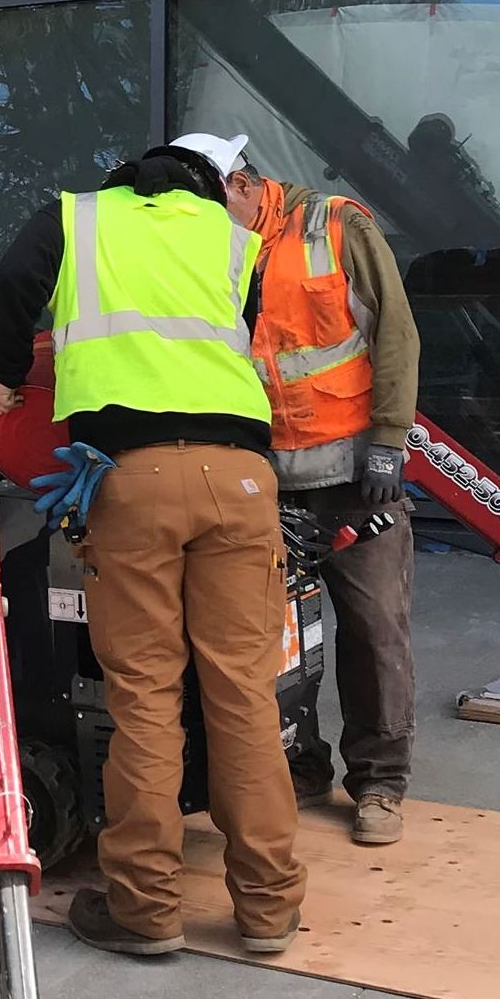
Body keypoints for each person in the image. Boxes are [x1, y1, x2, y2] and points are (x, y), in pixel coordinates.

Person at [0, 143, 306, 959]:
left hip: (132, 479)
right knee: (244, 692)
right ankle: (268, 909)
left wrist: (7, 374)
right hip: (241, 479)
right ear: (206, 188)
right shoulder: (237, 239)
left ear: (123, 181)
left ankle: (147, 910)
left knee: (146, 694)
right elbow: (236, 335)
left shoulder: (76, 218)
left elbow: (3, 295)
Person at [173, 131, 420, 848]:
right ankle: (298, 763)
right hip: (264, 481)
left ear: (241, 184)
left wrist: (389, 440)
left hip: (355, 480)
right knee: (277, 640)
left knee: (374, 629)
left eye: (209, 203)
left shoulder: (335, 226)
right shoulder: (214, 250)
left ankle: (379, 782)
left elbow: (396, 334)